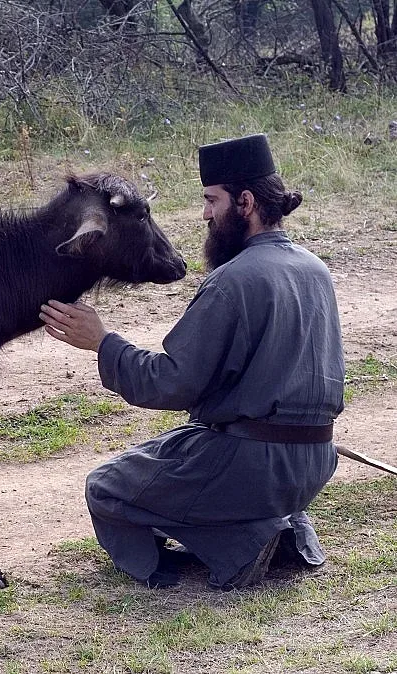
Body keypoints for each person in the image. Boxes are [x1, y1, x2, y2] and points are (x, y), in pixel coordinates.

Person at [39, 134, 344, 590]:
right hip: (314, 464)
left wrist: (102, 342)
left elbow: (172, 384)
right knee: (182, 453)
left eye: (211, 200)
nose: (205, 214)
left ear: (245, 202)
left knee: (107, 488)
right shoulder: (315, 269)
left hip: (253, 465)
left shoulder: (232, 281)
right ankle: (283, 528)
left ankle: (241, 545)